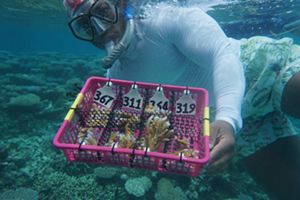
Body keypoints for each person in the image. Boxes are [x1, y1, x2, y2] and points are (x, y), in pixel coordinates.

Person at [63, 0, 300, 199]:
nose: (100, 28)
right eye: (85, 25)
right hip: (227, 120)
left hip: (259, 69)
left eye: (103, 12)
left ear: (121, 3)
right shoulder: (116, 74)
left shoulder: (163, 20)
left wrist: (227, 118)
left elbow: (222, 54)